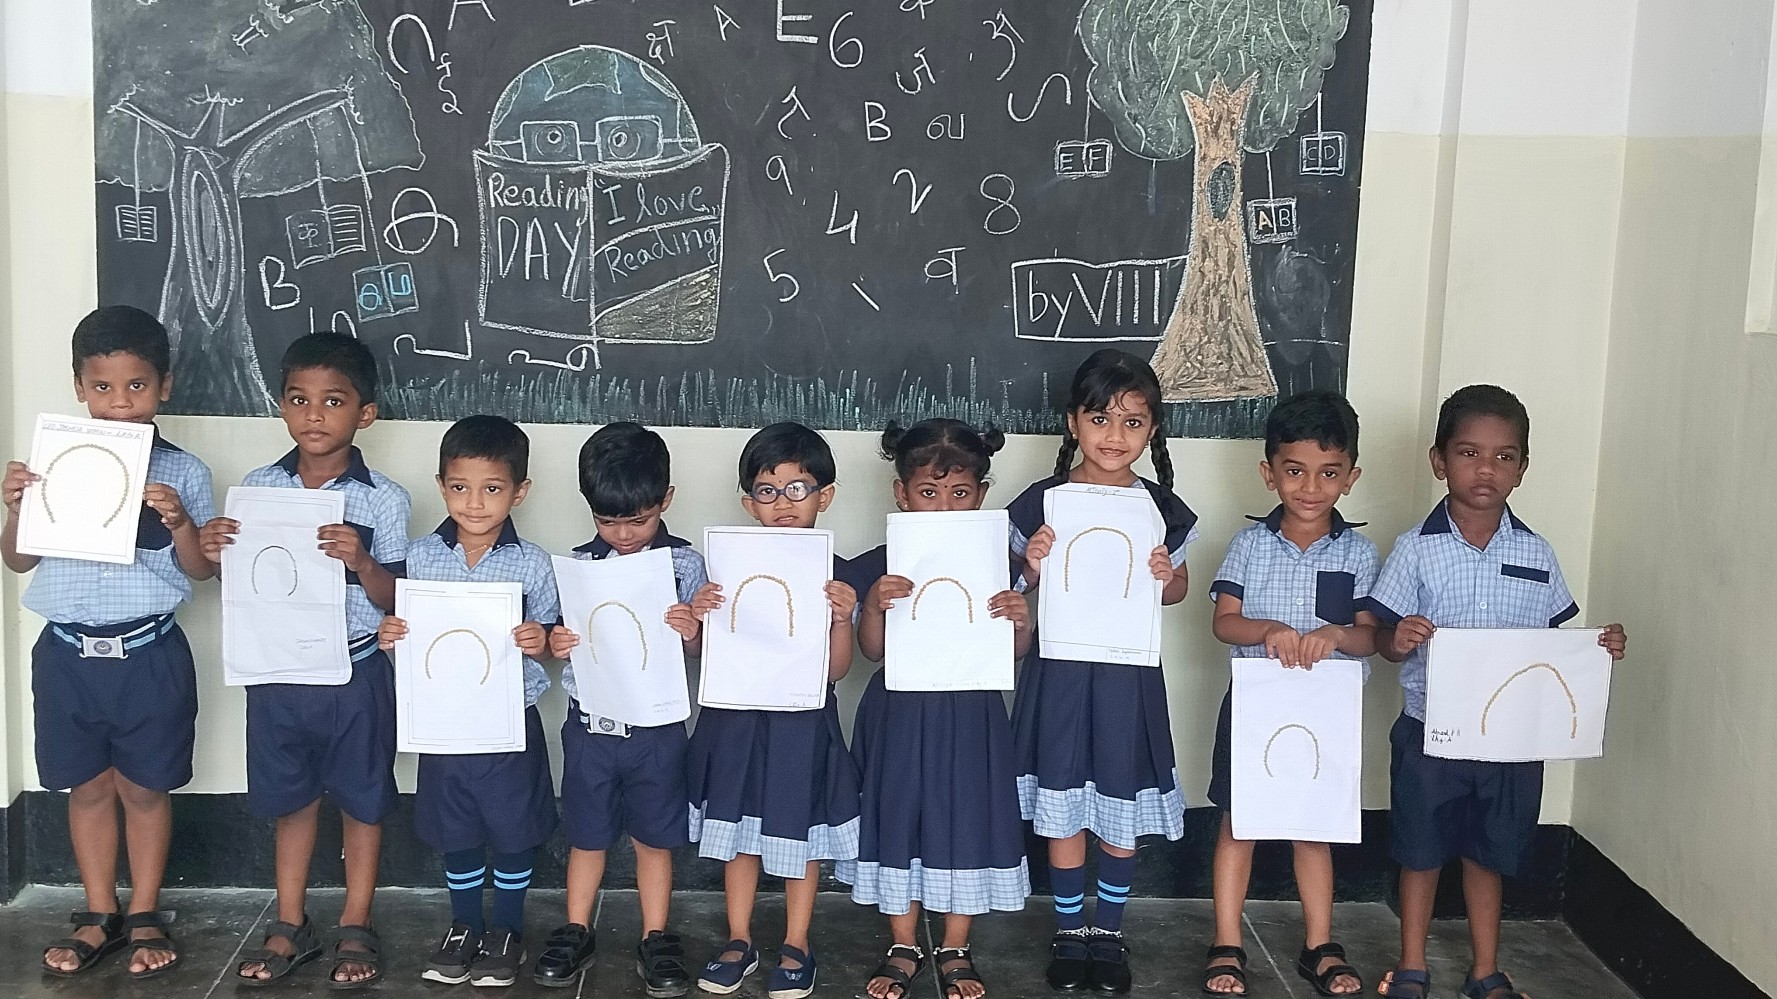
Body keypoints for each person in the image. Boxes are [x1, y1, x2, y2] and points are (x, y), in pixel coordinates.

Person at [1368, 385, 1627, 999]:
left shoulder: (1537, 553)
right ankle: (1412, 965)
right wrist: (1397, 639)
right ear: (1440, 462)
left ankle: (1485, 969)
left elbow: (1554, 647)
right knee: (1420, 853)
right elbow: (1380, 639)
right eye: (1469, 453)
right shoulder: (1415, 550)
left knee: (1491, 855)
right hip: (1430, 735)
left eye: (1504, 456)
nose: (1486, 469)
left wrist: (1599, 646)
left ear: (1522, 468)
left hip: (1511, 742)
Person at [2, 306, 214, 980]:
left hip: (149, 652)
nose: (120, 403)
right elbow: (18, 560)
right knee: (87, 786)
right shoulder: (53, 464)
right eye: (102, 387)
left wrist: (180, 523)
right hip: (66, 655)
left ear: (164, 386)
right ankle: (99, 910)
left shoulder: (183, 471)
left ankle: (145, 909)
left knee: (145, 789)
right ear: (78, 386)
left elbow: (201, 571)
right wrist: (15, 508)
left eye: (137, 386)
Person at [200, 331, 412, 988]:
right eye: (299, 399)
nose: (314, 414)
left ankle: (356, 921)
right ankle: (290, 921)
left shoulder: (384, 498)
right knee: (290, 801)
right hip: (277, 675)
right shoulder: (258, 489)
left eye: (333, 401)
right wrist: (212, 550)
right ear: (282, 406)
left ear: (365, 413)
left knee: (362, 801)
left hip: (355, 672)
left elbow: (396, 597)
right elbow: (235, 582)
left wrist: (362, 560)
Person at [1006, 348, 1197, 995]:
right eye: (1099, 419)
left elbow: (1177, 591)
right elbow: (1009, 589)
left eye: (1132, 422)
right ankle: (1069, 930)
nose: (1115, 436)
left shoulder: (1160, 508)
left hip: (1126, 677)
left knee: (1119, 802)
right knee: (1062, 803)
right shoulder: (1043, 502)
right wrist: (1030, 565)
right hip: (1059, 675)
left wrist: (1168, 576)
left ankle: (1107, 932)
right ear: (1073, 422)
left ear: (1151, 430)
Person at [838, 418, 1033, 999]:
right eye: (929, 492)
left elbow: (1015, 653)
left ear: (981, 494)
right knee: (898, 813)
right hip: (899, 714)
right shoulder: (881, 563)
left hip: (971, 714)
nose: (945, 506)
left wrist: (1020, 619)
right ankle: (903, 943)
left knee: (967, 815)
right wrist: (875, 606)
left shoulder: (998, 564)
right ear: (901, 493)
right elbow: (872, 652)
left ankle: (954, 945)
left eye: (960, 493)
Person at [1201, 390, 1378, 997]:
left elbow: (1370, 637)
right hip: (1255, 706)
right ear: (1269, 472)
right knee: (1239, 822)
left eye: (1329, 473)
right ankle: (1227, 942)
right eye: (1295, 470)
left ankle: (1318, 945)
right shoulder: (1249, 545)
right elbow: (1224, 623)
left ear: (1350, 477)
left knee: (1313, 825)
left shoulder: (1359, 553)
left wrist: (1338, 635)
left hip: (1326, 712)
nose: (1311, 487)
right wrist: (1268, 630)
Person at [373, 415, 559, 987]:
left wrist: (539, 638)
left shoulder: (533, 563)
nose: (475, 503)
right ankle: (463, 925)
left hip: (509, 722)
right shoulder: (418, 559)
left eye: (492, 488)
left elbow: (553, 638)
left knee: (513, 827)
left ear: (520, 491)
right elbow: (407, 636)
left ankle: (506, 929)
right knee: (454, 827)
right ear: (441, 485)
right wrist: (390, 638)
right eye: (460, 487)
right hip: (443, 724)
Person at [533, 422, 710, 995]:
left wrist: (691, 632)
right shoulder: (578, 566)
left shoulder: (685, 565)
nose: (625, 534)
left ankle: (656, 935)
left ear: (666, 501)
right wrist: (557, 642)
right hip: (591, 723)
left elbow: (703, 652)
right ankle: (576, 928)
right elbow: (558, 641)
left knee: (654, 836)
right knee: (586, 833)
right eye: (608, 521)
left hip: (657, 726)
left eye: (639, 519)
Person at [687, 422, 861, 999]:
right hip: (735, 721)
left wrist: (842, 619)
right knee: (738, 831)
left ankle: (797, 942)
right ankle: (739, 938)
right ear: (748, 502)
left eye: (798, 489)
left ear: (824, 497)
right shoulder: (724, 569)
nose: (783, 503)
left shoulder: (836, 573)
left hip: (801, 725)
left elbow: (837, 671)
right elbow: (703, 653)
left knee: (798, 833)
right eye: (767, 490)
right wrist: (699, 616)